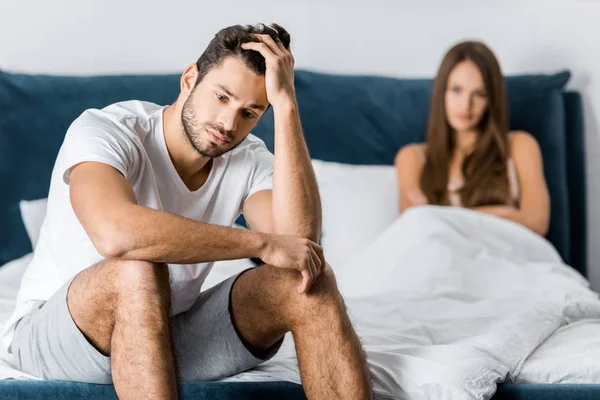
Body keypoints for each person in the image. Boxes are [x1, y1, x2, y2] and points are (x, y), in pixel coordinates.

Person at [1, 23, 372, 400]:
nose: (229, 123)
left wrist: (287, 106)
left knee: (310, 278)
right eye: (222, 97)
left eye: (251, 112)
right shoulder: (108, 129)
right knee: (137, 268)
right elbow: (116, 234)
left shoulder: (248, 157)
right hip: (60, 336)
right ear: (190, 78)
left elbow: (298, 248)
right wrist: (259, 244)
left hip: (166, 331)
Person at [394, 41, 550, 236]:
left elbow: (537, 223)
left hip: (506, 257)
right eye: (456, 90)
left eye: (479, 94)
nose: (466, 105)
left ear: (492, 99)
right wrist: (503, 213)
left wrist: (442, 217)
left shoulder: (520, 145)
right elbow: (412, 229)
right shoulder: (412, 157)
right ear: (441, 92)